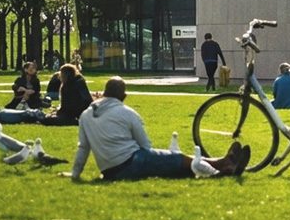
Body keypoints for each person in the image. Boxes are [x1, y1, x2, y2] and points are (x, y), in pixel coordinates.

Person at [70, 77, 249, 181]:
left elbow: (83, 148)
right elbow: (146, 146)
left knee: (180, 168)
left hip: (109, 171)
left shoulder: (86, 115)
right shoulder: (127, 113)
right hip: (131, 162)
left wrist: (75, 174)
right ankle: (223, 166)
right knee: (177, 158)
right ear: (123, 95)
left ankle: (224, 165)